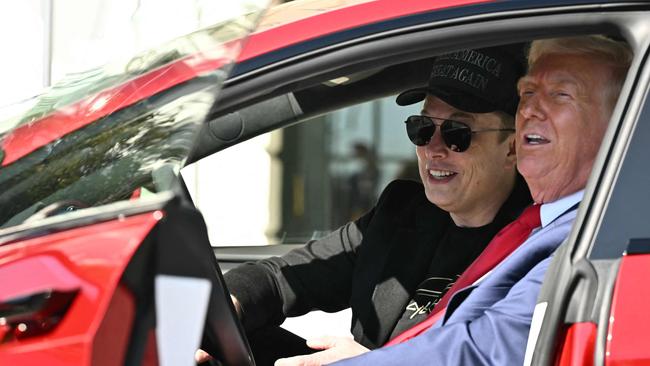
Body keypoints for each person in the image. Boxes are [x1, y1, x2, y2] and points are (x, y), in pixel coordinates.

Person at [301, 35, 632, 366]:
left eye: (560, 94)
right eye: (527, 93)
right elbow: (293, 275)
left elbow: (485, 351)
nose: (529, 109)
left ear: (618, 122)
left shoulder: (593, 237)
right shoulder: (542, 226)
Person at [216, 45, 532, 365]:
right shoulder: (400, 211)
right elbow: (279, 278)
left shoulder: (537, 243)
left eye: (457, 132)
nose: (432, 149)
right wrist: (221, 312)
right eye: (422, 128)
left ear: (512, 146)